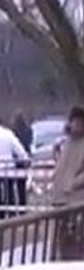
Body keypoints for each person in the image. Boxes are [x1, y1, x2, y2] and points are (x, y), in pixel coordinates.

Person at [50, 106, 84, 260]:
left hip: (77, 199)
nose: (76, 125)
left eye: (80, 122)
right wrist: (56, 178)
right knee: (61, 236)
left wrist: (74, 183)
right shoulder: (67, 142)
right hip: (60, 198)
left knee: (77, 235)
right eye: (74, 121)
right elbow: (62, 166)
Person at [10, 109, 33, 212]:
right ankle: (22, 207)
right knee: (21, 186)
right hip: (24, 158)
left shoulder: (12, 131)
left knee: (11, 185)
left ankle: (12, 207)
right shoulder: (28, 130)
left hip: (15, 159)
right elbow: (30, 141)